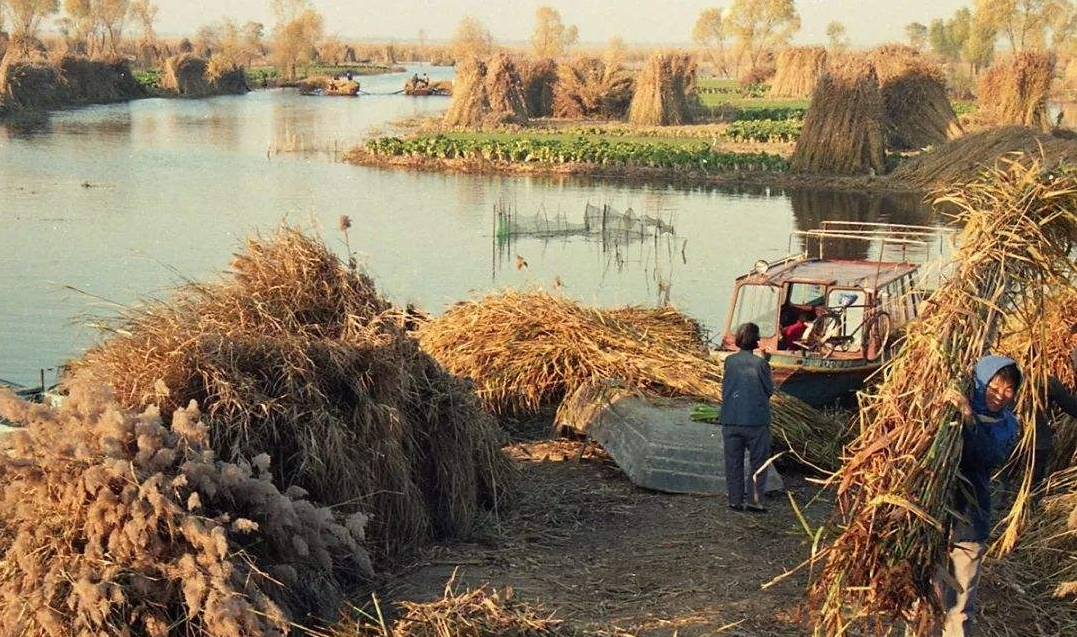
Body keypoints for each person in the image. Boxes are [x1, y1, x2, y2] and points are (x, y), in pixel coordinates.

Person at [942, 356, 1022, 637]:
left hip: (969, 520)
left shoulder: (1007, 425)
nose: (1000, 395)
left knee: (960, 605)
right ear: (981, 380)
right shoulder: (943, 410)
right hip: (932, 518)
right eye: (995, 385)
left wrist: (968, 417)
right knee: (924, 602)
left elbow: (986, 457)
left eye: (1009, 389)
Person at [720, 322, 774, 513]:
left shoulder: (729, 361)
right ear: (756, 341)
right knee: (758, 462)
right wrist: (766, 360)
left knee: (733, 461)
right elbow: (769, 390)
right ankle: (754, 501)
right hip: (755, 421)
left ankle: (735, 501)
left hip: (730, 418)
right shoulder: (760, 364)